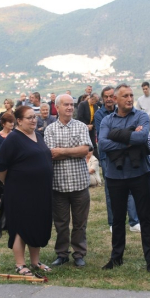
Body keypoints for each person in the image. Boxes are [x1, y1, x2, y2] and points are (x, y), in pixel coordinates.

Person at [98, 84, 150, 272]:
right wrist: (129, 140)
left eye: (131, 95)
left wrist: (118, 137)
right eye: (125, 96)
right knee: (117, 219)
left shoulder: (141, 116)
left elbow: (142, 139)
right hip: (115, 176)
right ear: (115, 99)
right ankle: (116, 258)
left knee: (145, 217)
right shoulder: (107, 120)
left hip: (139, 173)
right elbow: (103, 145)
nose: (130, 99)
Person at [0, 105, 53, 276]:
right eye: (29, 117)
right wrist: (11, 182)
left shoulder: (38, 136)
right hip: (20, 191)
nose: (34, 120)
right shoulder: (13, 138)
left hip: (40, 190)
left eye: (34, 117)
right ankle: (20, 264)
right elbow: (0, 166)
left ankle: (35, 262)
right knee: (21, 225)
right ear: (18, 121)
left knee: (37, 223)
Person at [44, 94, 92, 268]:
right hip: (58, 185)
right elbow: (50, 154)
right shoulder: (49, 130)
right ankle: (62, 253)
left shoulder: (80, 126)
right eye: (66, 105)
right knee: (61, 224)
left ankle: (79, 254)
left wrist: (62, 152)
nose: (70, 108)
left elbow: (84, 150)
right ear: (57, 107)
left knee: (80, 223)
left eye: (72, 105)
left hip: (80, 184)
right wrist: (73, 150)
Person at [94, 86, 140, 233]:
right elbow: (103, 141)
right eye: (106, 96)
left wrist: (119, 135)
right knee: (111, 192)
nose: (108, 99)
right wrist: (129, 137)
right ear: (103, 98)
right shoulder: (101, 115)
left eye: (110, 96)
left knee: (132, 190)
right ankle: (113, 222)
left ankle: (133, 221)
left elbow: (139, 136)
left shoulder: (132, 114)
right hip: (109, 158)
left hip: (129, 157)